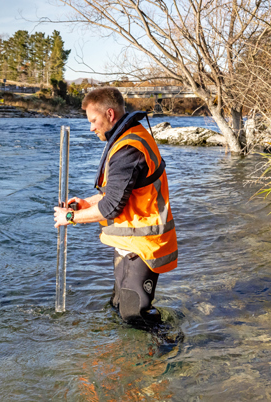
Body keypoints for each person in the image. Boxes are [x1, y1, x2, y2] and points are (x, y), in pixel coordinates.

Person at [54, 87, 178, 326]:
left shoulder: (128, 149)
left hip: (142, 245)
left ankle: (168, 355)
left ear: (110, 114)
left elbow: (111, 207)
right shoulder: (128, 137)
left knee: (135, 316)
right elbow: (119, 195)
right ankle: (129, 360)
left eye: (93, 120)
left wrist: (69, 217)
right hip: (127, 241)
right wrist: (85, 204)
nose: (91, 127)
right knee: (118, 307)